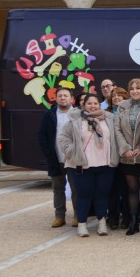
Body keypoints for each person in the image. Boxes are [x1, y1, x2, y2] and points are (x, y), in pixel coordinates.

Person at [58, 94, 119, 237]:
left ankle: (102, 223)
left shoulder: (109, 118)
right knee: (84, 194)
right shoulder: (75, 119)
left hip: (105, 162)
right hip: (81, 164)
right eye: (89, 103)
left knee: (102, 193)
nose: (93, 106)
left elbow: (115, 137)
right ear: (83, 105)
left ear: (100, 105)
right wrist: (71, 151)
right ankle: (82, 223)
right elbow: (63, 138)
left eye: (96, 103)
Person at [114, 78, 140, 236]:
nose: (135, 91)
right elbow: (117, 129)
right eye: (132, 88)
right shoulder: (122, 106)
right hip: (128, 155)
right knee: (132, 190)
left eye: (138, 88)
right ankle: (134, 222)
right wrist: (125, 148)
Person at [38, 87, 79, 228]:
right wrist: (48, 152)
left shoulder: (78, 114)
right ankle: (59, 216)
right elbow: (42, 134)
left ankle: (77, 216)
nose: (62, 98)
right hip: (56, 159)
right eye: (60, 96)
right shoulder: (50, 115)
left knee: (76, 189)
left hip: (73, 159)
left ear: (72, 99)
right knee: (58, 189)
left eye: (65, 96)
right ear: (56, 99)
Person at [107, 86, 130, 230]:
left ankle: (127, 218)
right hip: (110, 156)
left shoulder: (128, 112)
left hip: (126, 155)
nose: (116, 98)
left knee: (127, 189)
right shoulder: (106, 113)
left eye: (119, 95)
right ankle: (113, 218)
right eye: (113, 96)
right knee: (112, 189)